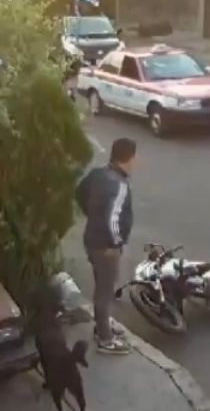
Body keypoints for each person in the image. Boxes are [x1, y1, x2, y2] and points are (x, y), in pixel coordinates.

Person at [74, 138, 136, 355]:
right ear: (129, 158)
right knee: (105, 291)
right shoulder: (119, 185)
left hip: (91, 239)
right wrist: (116, 243)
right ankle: (105, 339)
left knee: (102, 285)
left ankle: (103, 323)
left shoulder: (98, 174)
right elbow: (113, 219)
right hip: (106, 247)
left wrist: (92, 215)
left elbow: (79, 192)